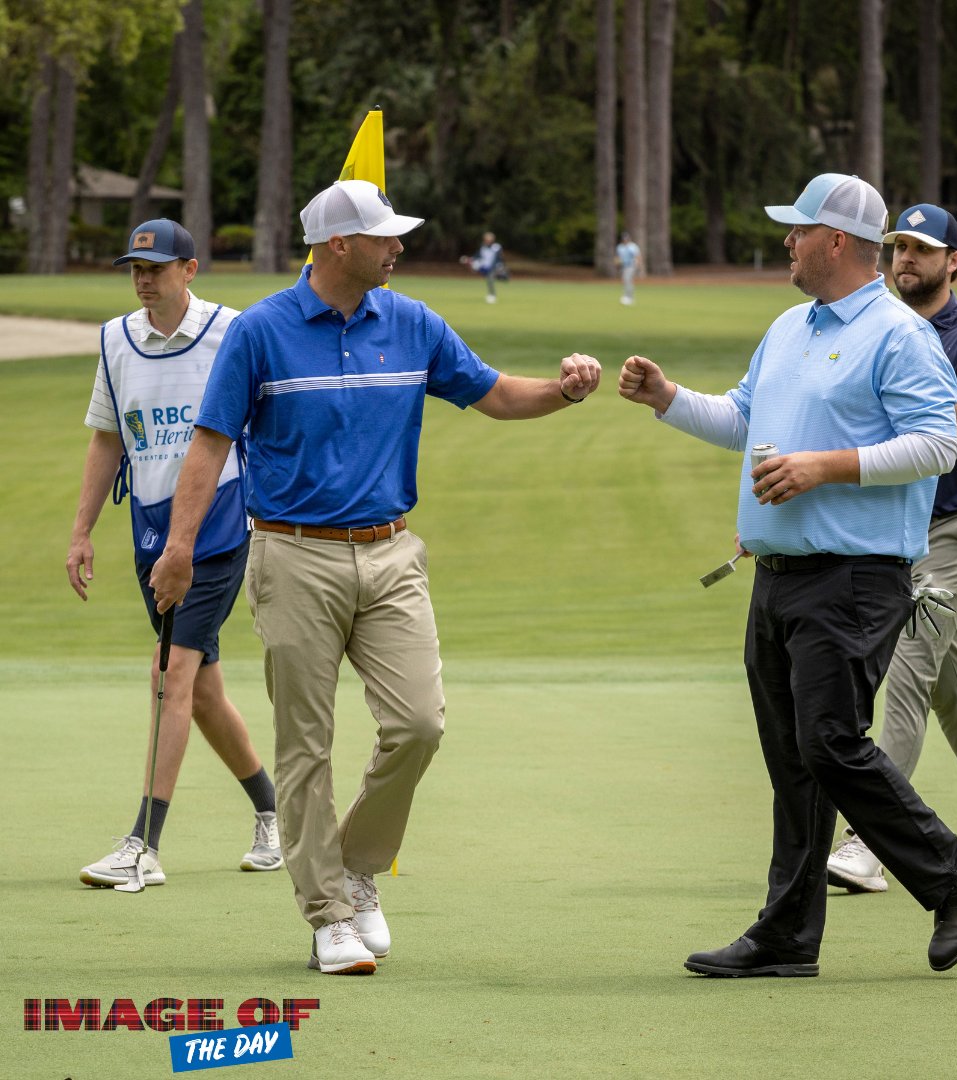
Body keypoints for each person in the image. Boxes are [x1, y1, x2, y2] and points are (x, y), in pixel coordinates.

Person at [149, 180, 601, 975]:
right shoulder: (261, 333)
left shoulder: (414, 322)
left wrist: (563, 392)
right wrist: (180, 548)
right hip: (292, 555)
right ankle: (326, 912)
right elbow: (210, 445)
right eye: (384, 237)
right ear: (336, 247)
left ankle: (354, 867)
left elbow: (494, 394)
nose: (399, 246)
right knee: (306, 746)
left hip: (392, 553)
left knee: (420, 723)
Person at [618, 173, 957, 978]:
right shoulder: (792, 325)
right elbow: (744, 418)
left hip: (857, 575)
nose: (786, 241)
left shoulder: (899, 335)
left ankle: (956, 871)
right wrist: (668, 397)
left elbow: (936, 443)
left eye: (797, 230)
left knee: (829, 743)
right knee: (794, 757)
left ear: (834, 241)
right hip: (781, 576)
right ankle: (787, 936)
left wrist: (826, 466)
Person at [827, 204, 957, 893]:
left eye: (921, 249)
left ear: (954, 261)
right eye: (897, 249)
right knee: (950, 682)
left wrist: (904, 394)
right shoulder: (872, 329)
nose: (904, 260)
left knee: (911, 666)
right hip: (896, 531)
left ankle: (868, 839)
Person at [66, 218, 281, 890]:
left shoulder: (234, 332)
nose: (142, 279)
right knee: (204, 691)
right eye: (135, 268)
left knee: (171, 674)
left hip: (218, 528)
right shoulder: (115, 341)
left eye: (155, 268)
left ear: (190, 270)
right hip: (150, 532)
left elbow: (275, 421)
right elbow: (107, 439)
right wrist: (81, 531)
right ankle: (274, 817)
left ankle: (143, 845)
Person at [459, 230, 507, 303]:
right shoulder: (483, 247)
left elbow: (499, 258)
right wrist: (468, 259)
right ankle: (492, 293)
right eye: (486, 239)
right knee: (476, 266)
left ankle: (492, 295)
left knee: (490, 278)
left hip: (495, 267)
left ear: (492, 240)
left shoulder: (496, 247)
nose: (487, 241)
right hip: (485, 267)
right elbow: (477, 256)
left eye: (489, 239)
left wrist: (497, 267)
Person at [615, 231, 643, 305]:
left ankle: (628, 297)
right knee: (626, 281)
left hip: (631, 265)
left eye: (626, 238)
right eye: (624, 239)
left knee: (627, 279)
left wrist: (639, 265)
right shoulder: (620, 247)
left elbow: (638, 256)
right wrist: (617, 265)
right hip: (623, 266)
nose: (625, 240)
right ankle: (628, 296)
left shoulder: (633, 246)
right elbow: (618, 257)